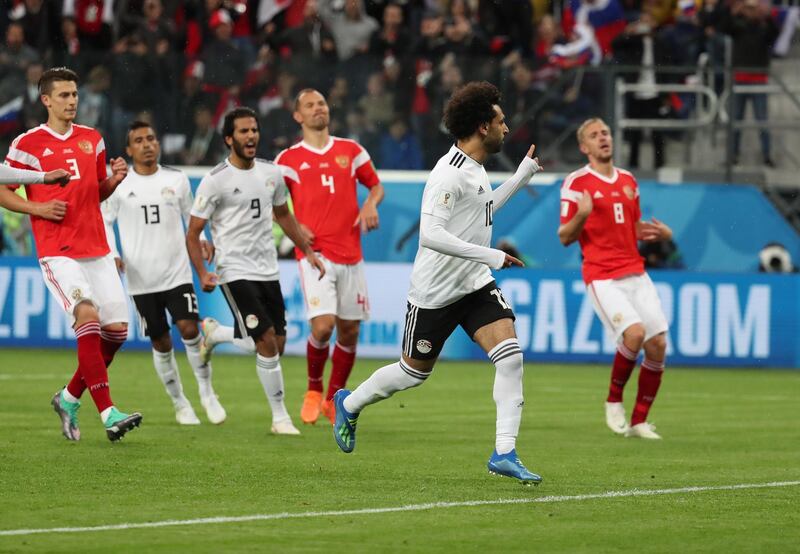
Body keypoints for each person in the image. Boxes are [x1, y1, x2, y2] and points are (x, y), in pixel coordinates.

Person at [332, 81, 544, 484]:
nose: (506, 126)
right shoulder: (447, 175)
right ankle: (350, 401)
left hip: (475, 284)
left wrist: (520, 177)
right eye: (500, 121)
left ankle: (504, 452)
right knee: (413, 373)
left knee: (511, 356)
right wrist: (493, 255)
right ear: (482, 127)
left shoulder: (477, 167)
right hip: (435, 293)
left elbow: (482, 211)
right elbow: (431, 234)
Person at [0, 67, 142, 442]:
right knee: (87, 315)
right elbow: (3, 190)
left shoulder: (91, 139)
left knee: (116, 332)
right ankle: (109, 413)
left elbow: (93, 194)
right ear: (46, 100)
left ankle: (68, 397)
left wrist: (112, 181)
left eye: (75, 94)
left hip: (96, 246)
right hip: (57, 250)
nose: (72, 101)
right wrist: (38, 209)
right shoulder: (27, 144)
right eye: (63, 95)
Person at [186, 107, 326, 436]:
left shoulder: (271, 173)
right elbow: (193, 232)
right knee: (263, 340)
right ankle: (280, 418)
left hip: (268, 269)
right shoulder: (215, 180)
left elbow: (283, 215)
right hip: (233, 269)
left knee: (275, 343)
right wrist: (203, 273)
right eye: (244, 132)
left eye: (254, 130)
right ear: (228, 139)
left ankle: (217, 334)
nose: (251, 136)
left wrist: (307, 251)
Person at [102, 121, 226, 426]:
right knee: (160, 341)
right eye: (139, 140)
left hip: (177, 273)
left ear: (158, 144)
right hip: (141, 279)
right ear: (129, 149)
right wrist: (114, 254)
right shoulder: (120, 183)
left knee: (188, 328)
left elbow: (191, 218)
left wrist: (205, 239)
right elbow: (105, 221)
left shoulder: (178, 179)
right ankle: (180, 403)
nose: (147, 144)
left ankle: (207, 392)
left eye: (152, 138)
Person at [273, 88, 383, 425]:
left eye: (321, 103)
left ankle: (335, 395)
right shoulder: (287, 160)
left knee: (349, 332)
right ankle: (312, 389)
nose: (318, 108)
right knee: (323, 327)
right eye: (309, 105)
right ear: (298, 116)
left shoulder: (351, 151)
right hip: (315, 255)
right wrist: (296, 228)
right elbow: (272, 205)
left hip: (351, 253)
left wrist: (369, 204)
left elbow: (376, 185)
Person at [558, 117, 671, 440]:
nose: (603, 138)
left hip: (635, 271)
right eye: (594, 135)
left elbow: (634, 229)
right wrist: (581, 214)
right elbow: (565, 236)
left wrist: (662, 234)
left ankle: (639, 422)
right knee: (634, 334)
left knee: (658, 344)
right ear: (584, 147)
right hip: (602, 275)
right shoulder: (577, 183)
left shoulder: (628, 179)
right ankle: (613, 401)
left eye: (605, 133)